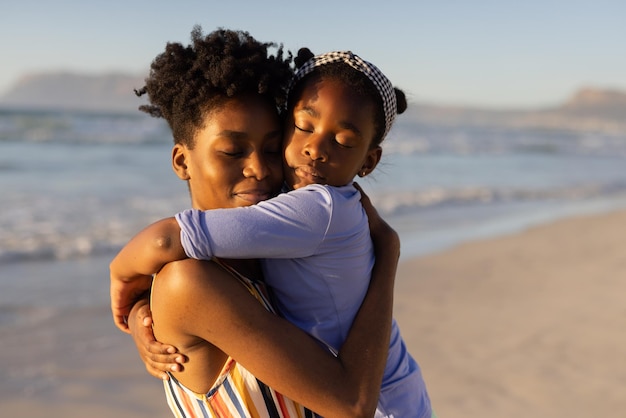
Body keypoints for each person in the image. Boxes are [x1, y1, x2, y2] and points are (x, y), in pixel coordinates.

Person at [111, 45, 433, 417]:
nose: (260, 170)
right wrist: (387, 254)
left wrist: (140, 311)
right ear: (183, 161)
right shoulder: (190, 280)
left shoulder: (275, 254)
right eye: (233, 151)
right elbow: (353, 404)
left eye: (271, 148)